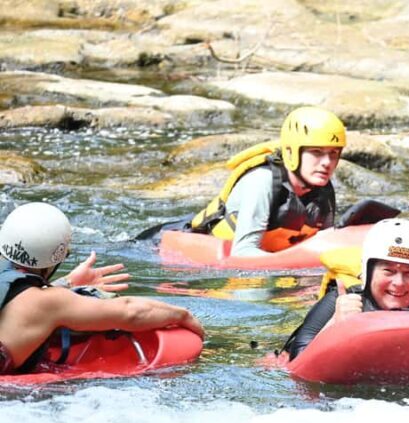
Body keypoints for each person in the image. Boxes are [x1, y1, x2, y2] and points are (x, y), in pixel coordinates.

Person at [0, 202, 204, 374]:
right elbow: (130, 312)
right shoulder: (49, 302)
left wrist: (67, 282)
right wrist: (182, 315)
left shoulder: (41, 300)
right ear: (57, 256)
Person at [281, 218, 409, 360]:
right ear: (369, 272)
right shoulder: (340, 301)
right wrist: (335, 326)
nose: (398, 283)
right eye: (388, 271)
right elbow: (298, 361)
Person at [189, 106, 346, 257]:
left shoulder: (323, 188)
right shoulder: (261, 182)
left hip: (276, 255)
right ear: (291, 152)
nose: (327, 162)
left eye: (333, 153)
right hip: (215, 257)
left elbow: (327, 242)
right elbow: (242, 252)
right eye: (316, 152)